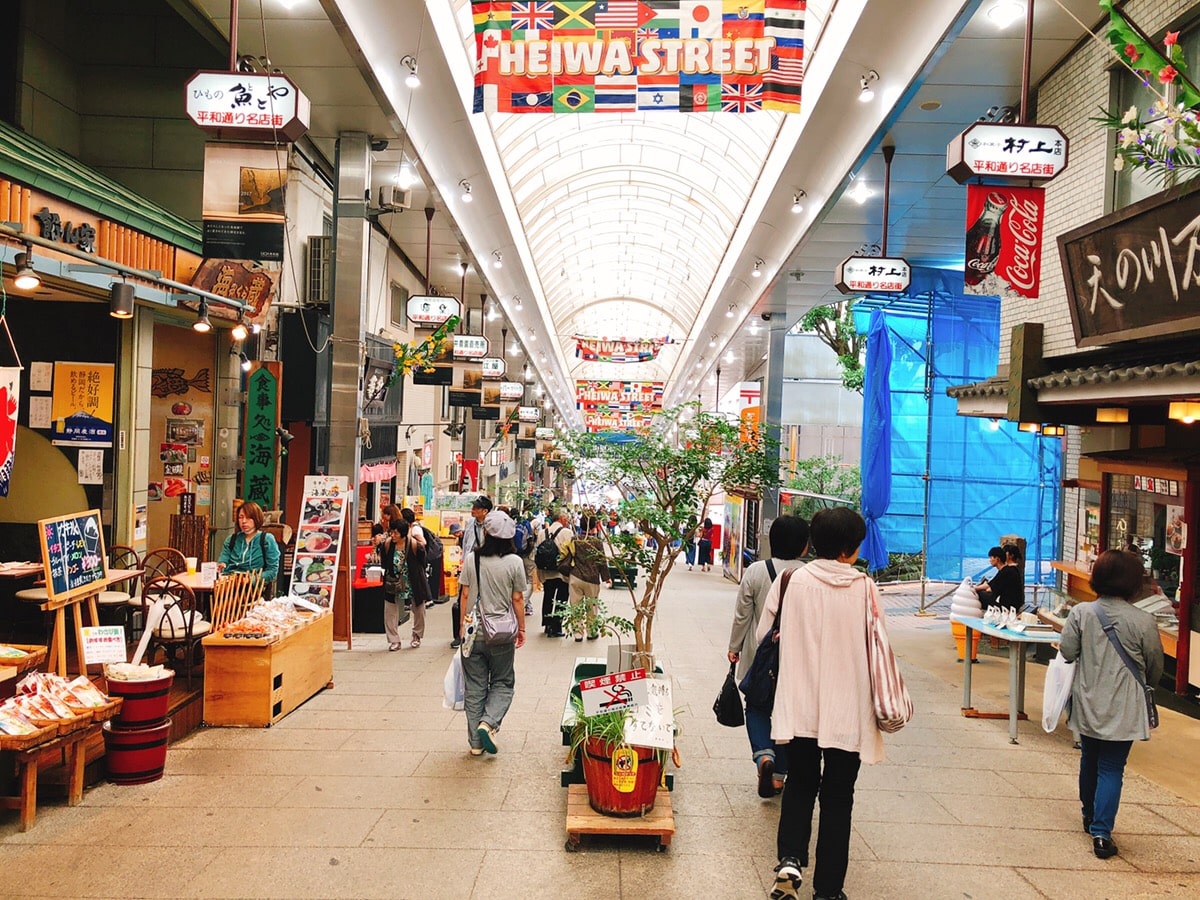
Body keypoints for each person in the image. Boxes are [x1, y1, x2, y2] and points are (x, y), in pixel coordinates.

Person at [760, 507, 890, 900]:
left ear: (813, 543)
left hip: (799, 705)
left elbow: (767, 637)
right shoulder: (866, 588)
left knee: (800, 783)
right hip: (847, 708)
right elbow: (879, 647)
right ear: (853, 549)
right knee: (838, 797)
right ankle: (829, 890)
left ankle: (789, 860)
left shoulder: (789, 581)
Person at [1060, 549, 1164, 860]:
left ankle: (1088, 815)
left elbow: (1067, 652)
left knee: (1089, 759)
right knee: (1112, 768)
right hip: (1125, 706)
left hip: (1090, 699)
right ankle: (1102, 834)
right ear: (1134, 583)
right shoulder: (1144, 621)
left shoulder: (1081, 613)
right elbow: (1154, 666)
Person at [728, 514, 810, 798]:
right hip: (796, 659)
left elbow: (742, 615)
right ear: (804, 546)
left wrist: (734, 648)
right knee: (787, 716)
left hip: (760, 657)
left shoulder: (755, 571)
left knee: (757, 708)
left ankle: (764, 756)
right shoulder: (808, 575)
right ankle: (778, 778)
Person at [457, 509, 527, 756]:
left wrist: (462, 626)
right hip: (502, 632)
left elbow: (465, 594)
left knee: (475, 686)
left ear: (485, 532)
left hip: (473, 630)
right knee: (503, 682)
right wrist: (522, 629)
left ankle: (475, 744)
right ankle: (489, 722)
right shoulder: (515, 563)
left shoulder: (472, 559)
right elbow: (517, 598)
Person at [452, 496, 492, 648]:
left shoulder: (491, 525)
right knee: (462, 599)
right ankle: (459, 633)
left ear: (485, 511)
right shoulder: (469, 523)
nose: (473, 510)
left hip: (485, 565)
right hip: (469, 564)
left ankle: (483, 631)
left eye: (476, 508)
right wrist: (462, 562)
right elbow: (466, 543)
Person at [565, 514, 611, 641]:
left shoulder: (575, 540)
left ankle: (578, 634)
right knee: (592, 606)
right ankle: (591, 632)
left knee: (575, 606)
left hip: (576, 577)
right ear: (593, 527)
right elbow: (601, 561)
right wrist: (606, 577)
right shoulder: (596, 542)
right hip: (592, 578)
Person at [217, 500, 281, 585]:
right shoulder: (231, 539)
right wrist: (221, 566)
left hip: (253, 590)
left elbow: (272, 571)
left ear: (257, 518)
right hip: (229, 584)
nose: (244, 521)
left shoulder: (267, 539)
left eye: (248, 517)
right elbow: (223, 561)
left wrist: (252, 580)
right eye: (241, 517)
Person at [538, 508, 574, 637]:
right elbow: (572, 551)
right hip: (562, 572)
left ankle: (547, 624)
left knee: (548, 597)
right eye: (567, 519)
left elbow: (539, 551)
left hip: (547, 571)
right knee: (562, 598)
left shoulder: (543, 532)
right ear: (562, 519)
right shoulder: (566, 532)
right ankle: (556, 626)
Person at [396, 509, 427, 648]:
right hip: (398, 576)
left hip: (414, 575)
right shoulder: (393, 540)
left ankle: (417, 635)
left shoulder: (415, 531)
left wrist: (412, 544)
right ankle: (394, 639)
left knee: (418, 606)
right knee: (392, 607)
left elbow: (423, 546)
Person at [383, 521, 413, 651]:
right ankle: (394, 640)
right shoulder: (388, 544)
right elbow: (384, 563)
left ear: (403, 534)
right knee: (390, 610)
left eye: (396, 532)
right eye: (392, 532)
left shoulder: (413, 545)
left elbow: (421, 562)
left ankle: (416, 636)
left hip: (410, 581)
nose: (393, 535)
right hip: (392, 581)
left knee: (418, 609)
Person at [975, 542, 1024, 612]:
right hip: (1011, 604)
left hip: (1008, 606)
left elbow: (990, 588)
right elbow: (991, 584)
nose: (990, 560)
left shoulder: (1007, 571)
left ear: (997, 559)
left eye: (991, 557)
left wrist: (975, 588)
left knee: (979, 594)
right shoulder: (1008, 570)